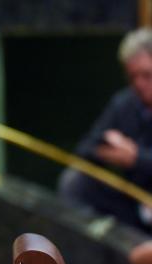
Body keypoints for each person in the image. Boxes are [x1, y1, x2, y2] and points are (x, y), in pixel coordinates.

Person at [59, 28, 152, 234]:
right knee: (74, 181)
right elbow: (86, 146)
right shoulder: (125, 103)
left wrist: (137, 158)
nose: (139, 84)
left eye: (146, 75)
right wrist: (108, 150)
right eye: (132, 77)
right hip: (133, 202)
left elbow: (138, 158)